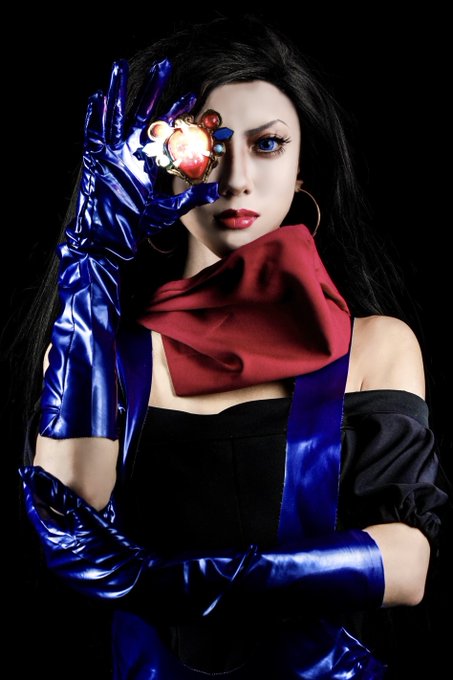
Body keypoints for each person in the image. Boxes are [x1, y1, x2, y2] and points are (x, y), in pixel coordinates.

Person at [17, 14, 449, 679]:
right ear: (161, 164)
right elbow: (73, 508)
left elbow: (406, 564)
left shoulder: (374, 347)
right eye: (205, 145)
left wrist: (163, 580)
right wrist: (93, 254)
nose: (236, 177)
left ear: (302, 169)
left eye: (268, 144)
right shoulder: (100, 351)